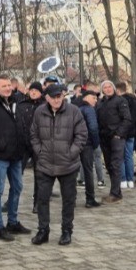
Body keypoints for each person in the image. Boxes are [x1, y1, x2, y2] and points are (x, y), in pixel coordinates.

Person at [30, 84, 87, 246]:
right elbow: (33, 134)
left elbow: (81, 135)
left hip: (68, 164)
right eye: (53, 97)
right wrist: (40, 151)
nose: (57, 100)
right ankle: (43, 230)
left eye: (59, 96)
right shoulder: (39, 112)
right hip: (45, 163)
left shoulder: (74, 111)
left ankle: (66, 231)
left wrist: (71, 153)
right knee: (42, 199)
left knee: (68, 200)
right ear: (46, 98)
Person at [0, 74, 32, 241]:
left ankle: (12, 222)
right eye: (3, 86)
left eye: (9, 85)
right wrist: (1, 144)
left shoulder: (14, 102)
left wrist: (24, 143)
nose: (8, 88)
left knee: (17, 187)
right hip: (0, 155)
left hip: (16, 154)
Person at [96, 80, 131, 203]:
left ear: (114, 88)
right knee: (109, 165)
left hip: (116, 138)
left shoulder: (120, 101)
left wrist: (119, 134)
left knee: (116, 165)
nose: (107, 89)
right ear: (102, 90)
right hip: (104, 138)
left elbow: (127, 119)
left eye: (109, 86)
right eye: (105, 87)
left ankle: (115, 193)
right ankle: (116, 191)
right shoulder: (100, 103)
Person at [17, 82, 46, 213]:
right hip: (23, 144)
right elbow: (18, 123)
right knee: (17, 173)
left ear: (40, 92)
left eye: (36, 90)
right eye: (31, 90)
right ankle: (12, 200)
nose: (33, 92)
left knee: (39, 175)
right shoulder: (22, 105)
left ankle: (38, 203)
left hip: (39, 144)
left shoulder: (44, 106)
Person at [78, 90, 102, 208]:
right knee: (88, 171)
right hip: (87, 144)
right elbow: (93, 128)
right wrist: (96, 143)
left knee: (73, 171)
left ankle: (71, 198)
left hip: (76, 143)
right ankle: (90, 198)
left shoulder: (77, 109)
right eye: (94, 98)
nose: (96, 100)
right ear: (86, 98)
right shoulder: (89, 110)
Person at [117, 82, 136, 189]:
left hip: (122, 132)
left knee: (120, 156)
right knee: (129, 156)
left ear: (118, 90)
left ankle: (123, 179)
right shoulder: (135, 101)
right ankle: (130, 180)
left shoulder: (119, 101)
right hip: (132, 132)